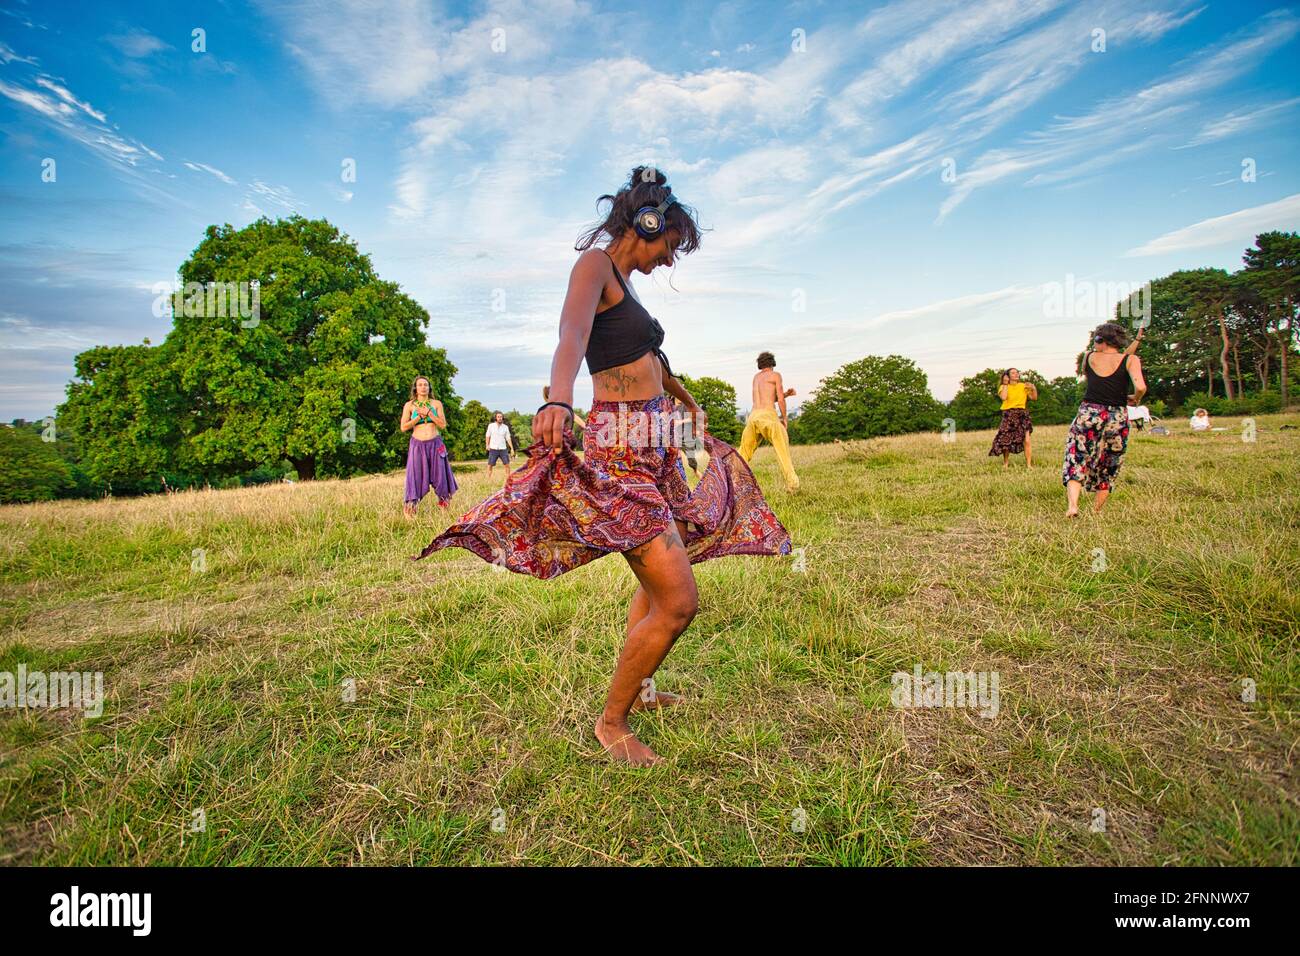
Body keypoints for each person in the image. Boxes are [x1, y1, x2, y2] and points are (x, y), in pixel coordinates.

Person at [412, 167, 791, 766]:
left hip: (657, 439)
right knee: (679, 602)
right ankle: (611, 722)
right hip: (620, 445)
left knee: (659, 581)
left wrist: (688, 404)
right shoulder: (595, 268)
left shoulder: (631, 287)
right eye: (671, 245)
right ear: (648, 224)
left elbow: (650, 358)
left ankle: (638, 691)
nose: (670, 260)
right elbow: (571, 333)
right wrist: (558, 399)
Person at [1062, 322, 1147, 517]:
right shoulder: (1131, 360)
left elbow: (1110, 360)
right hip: (1117, 415)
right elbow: (1139, 385)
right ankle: (1096, 511)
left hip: (1090, 412)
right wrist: (1136, 398)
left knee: (1076, 454)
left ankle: (1073, 506)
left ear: (1100, 340)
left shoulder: (1088, 357)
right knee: (1110, 460)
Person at [738, 352, 800, 493]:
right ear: (772, 363)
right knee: (782, 450)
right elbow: (779, 400)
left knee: (743, 453)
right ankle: (793, 485)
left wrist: (786, 394)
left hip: (753, 417)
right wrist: (784, 418)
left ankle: (731, 482)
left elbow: (768, 397)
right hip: (768, 416)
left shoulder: (756, 378)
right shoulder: (775, 375)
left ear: (760, 364)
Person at [402, 375, 458, 516]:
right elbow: (403, 427)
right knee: (415, 476)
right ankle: (410, 509)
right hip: (417, 445)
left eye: (425, 385)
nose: (423, 387)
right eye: (420, 385)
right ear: (415, 388)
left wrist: (429, 414)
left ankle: (444, 509)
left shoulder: (436, 404)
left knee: (441, 477)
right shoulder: (409, 405)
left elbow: (443, 425)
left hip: (435, 443)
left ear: (429, 388)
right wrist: (417, 417)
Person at [988, 368, 1037, 467]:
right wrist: (1005, 384)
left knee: (1027, 440)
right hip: (1009, 414)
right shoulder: (1003, 387)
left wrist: (1033, 388)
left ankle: (1029, 465)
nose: (1016, 374)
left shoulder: (1023, 386)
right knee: (1006, 440)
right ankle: (1005, 463)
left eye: (1017, 372)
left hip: (1022, 414)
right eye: (1013, 373)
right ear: (1008, 376)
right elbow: (1003, 397)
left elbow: (1034, 398)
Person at [485, 411, 515, 481]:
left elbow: (508, 438)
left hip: (503, 449)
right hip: (493, 448)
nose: (500, 418)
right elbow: (487, 436)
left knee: (507, 465)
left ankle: (508, 480)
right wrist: (487, 445)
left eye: (501, 417)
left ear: (502, 418)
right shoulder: (491, 426)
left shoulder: (505, 427)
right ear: (496, 418)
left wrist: (512, 448)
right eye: (498, 417)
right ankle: (488, 480)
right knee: (490, 465)